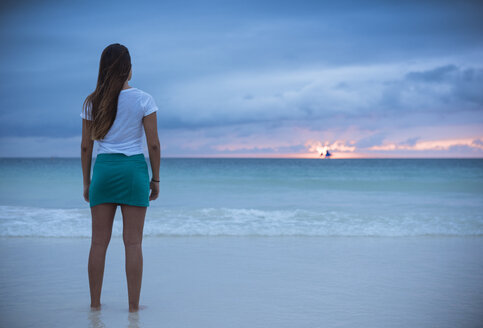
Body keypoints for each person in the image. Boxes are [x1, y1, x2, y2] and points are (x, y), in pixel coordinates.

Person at [80, 43, 161, 312]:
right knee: (133, 242)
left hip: (103, 170)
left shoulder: (93, 101)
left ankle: (94, 305)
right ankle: (133, 308)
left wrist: (87, 182)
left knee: (98, 243)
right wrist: (156, 179)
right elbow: (153, 145)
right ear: (129, 69)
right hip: (133, 171)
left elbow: (85, 147)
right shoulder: (143, 99)